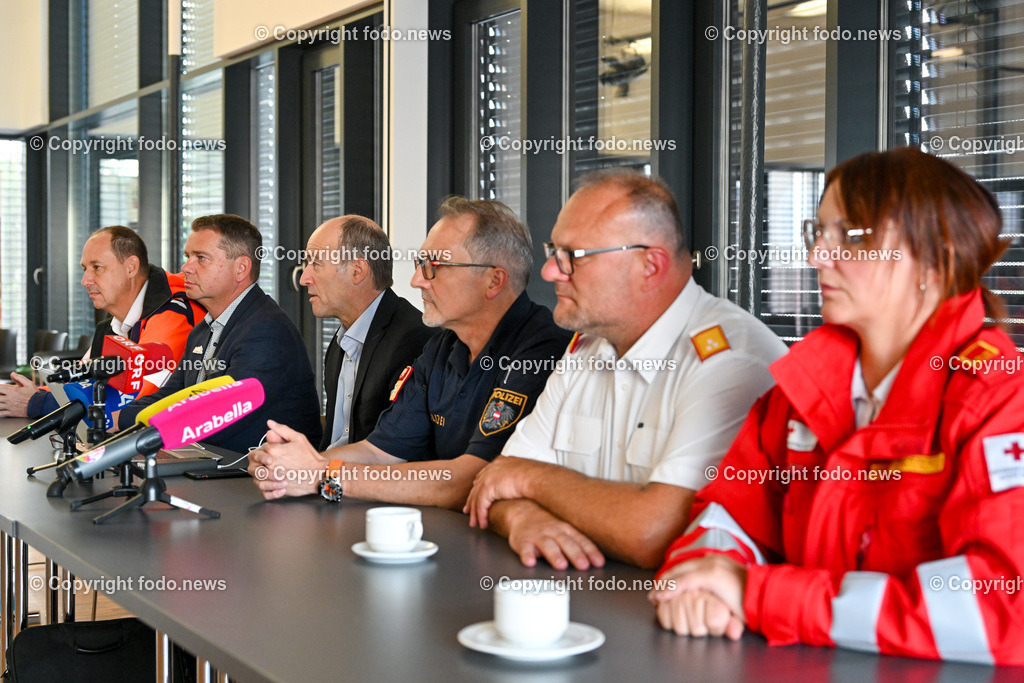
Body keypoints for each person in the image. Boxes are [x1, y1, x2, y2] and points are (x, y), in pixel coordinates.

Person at [649, 147, 1024, 665]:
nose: (817, 257)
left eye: (850, 236)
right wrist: (704, 581)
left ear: (934, 259)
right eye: (818, 233)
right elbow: (726, 515)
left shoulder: (999, 398)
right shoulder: (801, 391)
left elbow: (1004, 607)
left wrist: (759, 594)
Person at [464, 170, 787, 570]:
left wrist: (532, 480)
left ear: (649, 266)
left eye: (572, 257)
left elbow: (653, 534)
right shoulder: (588, 346)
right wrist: (523, 516)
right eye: (553, 251)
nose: (550, 272)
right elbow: (494, 484)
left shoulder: (729, 360)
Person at [248, 197, 572, 510]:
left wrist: (323, 475)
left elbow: (470, 479)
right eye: (419, 264)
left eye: (434, 267)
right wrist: (293, 464)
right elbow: (381, 451)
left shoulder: (542, 350)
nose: (417, 281)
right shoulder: (441, 347)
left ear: (493, 280)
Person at [119, 214, 322, 452]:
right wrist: (115, 419)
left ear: (241, 269)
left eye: (201, 258)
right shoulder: (202, 331)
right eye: (188, 256)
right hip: (212, 468)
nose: (186, 267)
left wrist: (126, 424)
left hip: (258, 480)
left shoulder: (267, 331)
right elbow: (170, 395)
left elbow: (219, 419)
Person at [0, 226, 202, 418]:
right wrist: (24, 395)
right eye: (84, 269)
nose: (85, 281)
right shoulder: (112, 325)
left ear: (131, 267)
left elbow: (137, 400)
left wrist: (39, 402)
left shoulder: (174, 313)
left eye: (97, 268)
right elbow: (80, 382)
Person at [302, 215, 434, 449]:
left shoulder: (413, 339)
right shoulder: (340, 342)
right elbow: (336, 439)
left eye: (316, 264)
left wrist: (308, 467)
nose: (304, 278)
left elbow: (394, 452)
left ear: (357, 271)